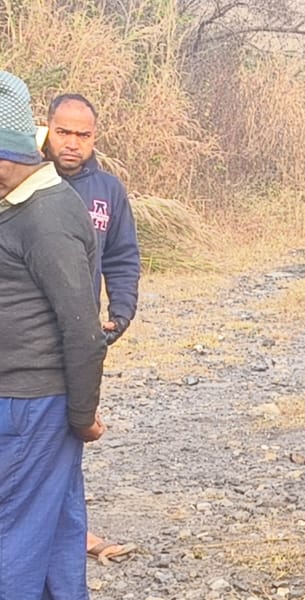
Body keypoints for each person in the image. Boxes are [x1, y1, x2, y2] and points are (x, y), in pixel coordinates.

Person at [0, 71, 111, 600]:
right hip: (32, 401)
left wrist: (82, 413)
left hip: (29, 402)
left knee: (13, 530)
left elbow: (83, 328)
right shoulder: (21, 204)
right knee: (60, 523)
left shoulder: (45, 215)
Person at [41, 92, 141, 564]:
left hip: (81, 339)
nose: (72, 143)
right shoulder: (23, 181)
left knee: (70, 432)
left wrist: (120, 314)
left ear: (95, 137)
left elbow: (122, 257)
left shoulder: (107, 190)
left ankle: (72, 533)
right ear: (46, 128)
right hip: (27, 338)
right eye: (63, 132)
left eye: (83, 135)